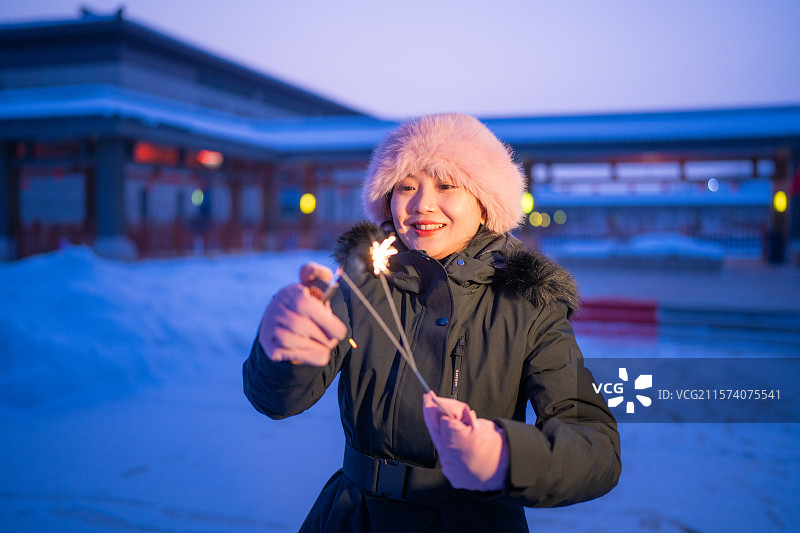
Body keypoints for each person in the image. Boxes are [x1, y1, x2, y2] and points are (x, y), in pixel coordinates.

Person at [243, 113, 621, 532]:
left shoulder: (527, 303)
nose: (421, 204)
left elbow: (594, 447)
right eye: (406, 186)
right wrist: (281, 352)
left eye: (446, 185)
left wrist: (506, 456)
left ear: (484, 201)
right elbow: (277, 400)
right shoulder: (359, 285)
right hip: (354, 518)